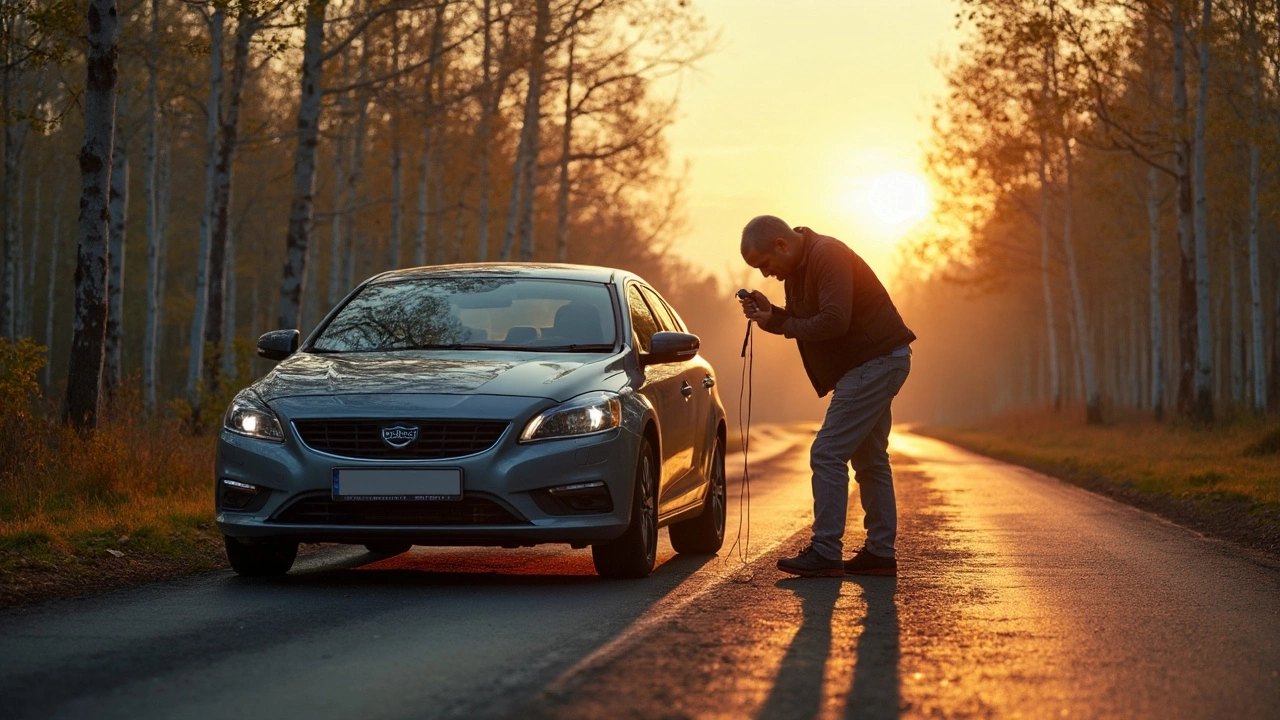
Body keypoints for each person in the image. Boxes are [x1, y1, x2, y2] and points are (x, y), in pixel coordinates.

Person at [739, 215, 915, 577]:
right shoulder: (800, 266)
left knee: (827, 451)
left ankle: (825, 552)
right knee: (870, 459)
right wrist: (771, 316)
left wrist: (783, 324)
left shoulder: (827, 255)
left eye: (764, 264)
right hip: (874, 363)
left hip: (875, 362)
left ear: (781, 245)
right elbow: (808, 321)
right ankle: (880, 554)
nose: (765, 274)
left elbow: (834, 321)